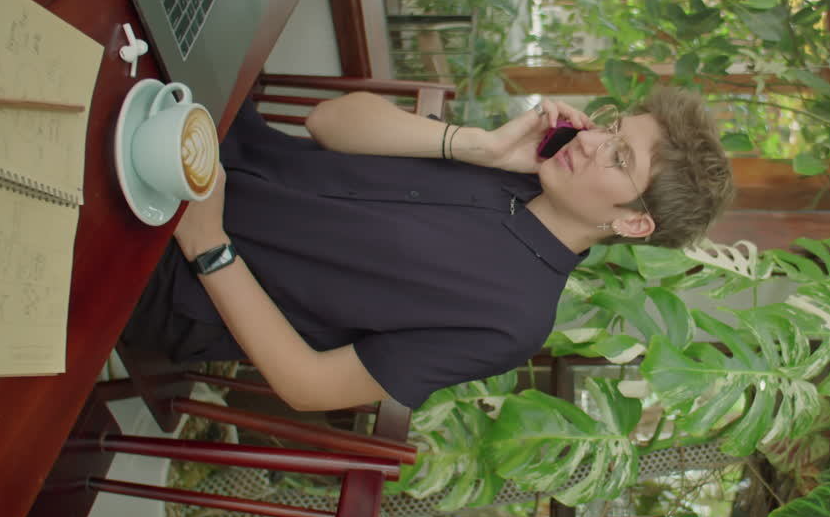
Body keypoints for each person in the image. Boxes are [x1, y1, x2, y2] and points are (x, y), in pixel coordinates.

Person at [122, 87, 734, 410]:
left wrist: (211, 246)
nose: (596, 142)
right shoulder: (510, 164)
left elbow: (309, 385)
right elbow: (327, 122)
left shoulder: (510, 322)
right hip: (206, 143)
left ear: (632, 225)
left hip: (164, 274)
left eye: (621, 158)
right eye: (612, 128)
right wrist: (478, 146)